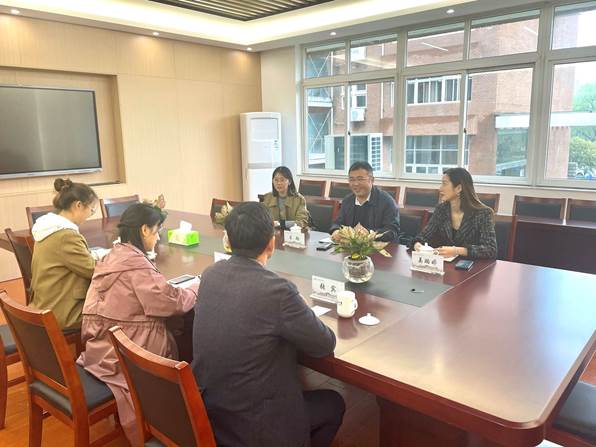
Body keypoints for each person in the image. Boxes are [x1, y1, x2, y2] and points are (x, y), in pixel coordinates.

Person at [193, 202, 345, 447]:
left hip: (212, 411)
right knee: (334, 403)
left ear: (228, 241)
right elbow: (325, 344)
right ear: (272, 243)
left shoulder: (210, 274)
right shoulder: (277, 291)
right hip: (257, 426)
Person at [77, 203, 198, 446]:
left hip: (99, 345)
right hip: (125, 353)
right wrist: (197, 286)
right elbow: (172, 302)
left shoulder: (112, 256)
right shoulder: (136, 266)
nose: (158, 237)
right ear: (144, 230)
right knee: (184, 327)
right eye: (157, 230)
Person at [30, 178, 99, 329]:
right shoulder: (66, 236)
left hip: (45, 303)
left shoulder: (48, 227)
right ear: (78, 205)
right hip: (63, 312)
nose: (89, 216)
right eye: (91, 210)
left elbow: (75, 259)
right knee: (118, 310)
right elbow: (93, 270)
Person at [411, 167, 497, 259]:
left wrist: (457, 250)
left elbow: (490, 249)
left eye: (444, 184)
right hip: (446, 265)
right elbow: (423, 236)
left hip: (472, 266)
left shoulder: (483, 213)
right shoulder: (441, 209)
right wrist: (417, 245)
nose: (440, 188)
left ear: (459, 188)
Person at [329, 161, 400, 242]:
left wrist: (369, 234)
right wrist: (336, 231)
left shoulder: (387, 202)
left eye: (360, 179)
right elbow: (337, 223)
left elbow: (392, 231)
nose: (355, 183)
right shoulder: (347, 200)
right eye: (351, 179)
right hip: (351, 247)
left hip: (378, 247)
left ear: (372, 180)